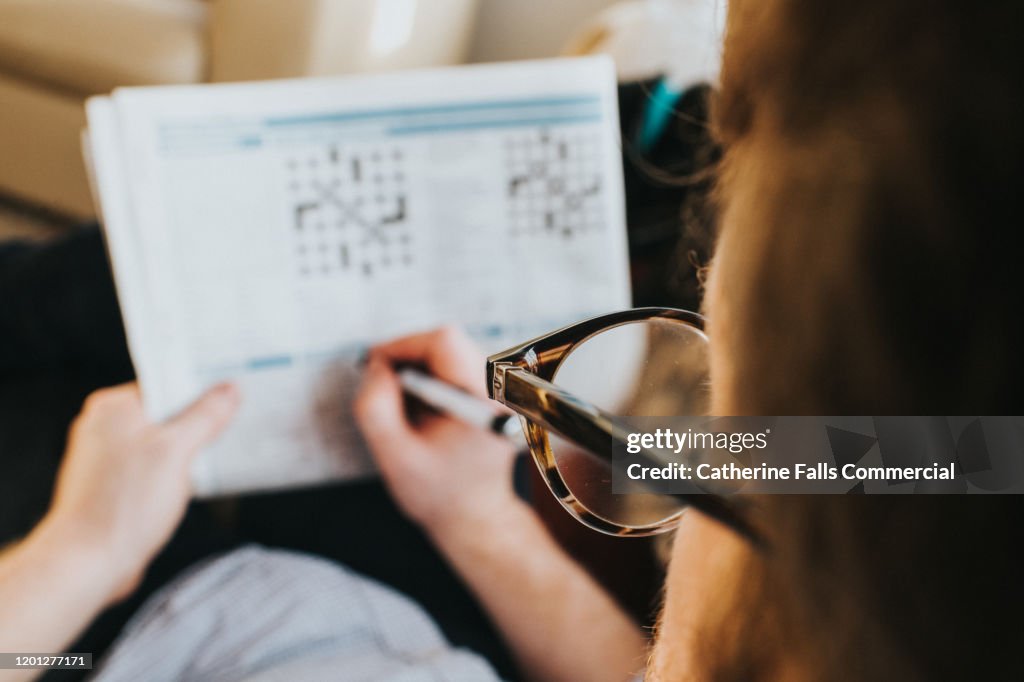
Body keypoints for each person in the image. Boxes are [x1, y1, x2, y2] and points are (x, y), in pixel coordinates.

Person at [2, 0, 1023, 680]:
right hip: (409, 609)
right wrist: (473, 517)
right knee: (211, 269)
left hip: (101, 631)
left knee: (70, 302)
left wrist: (78, 558)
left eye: (721, 436)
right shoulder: (937, 510)